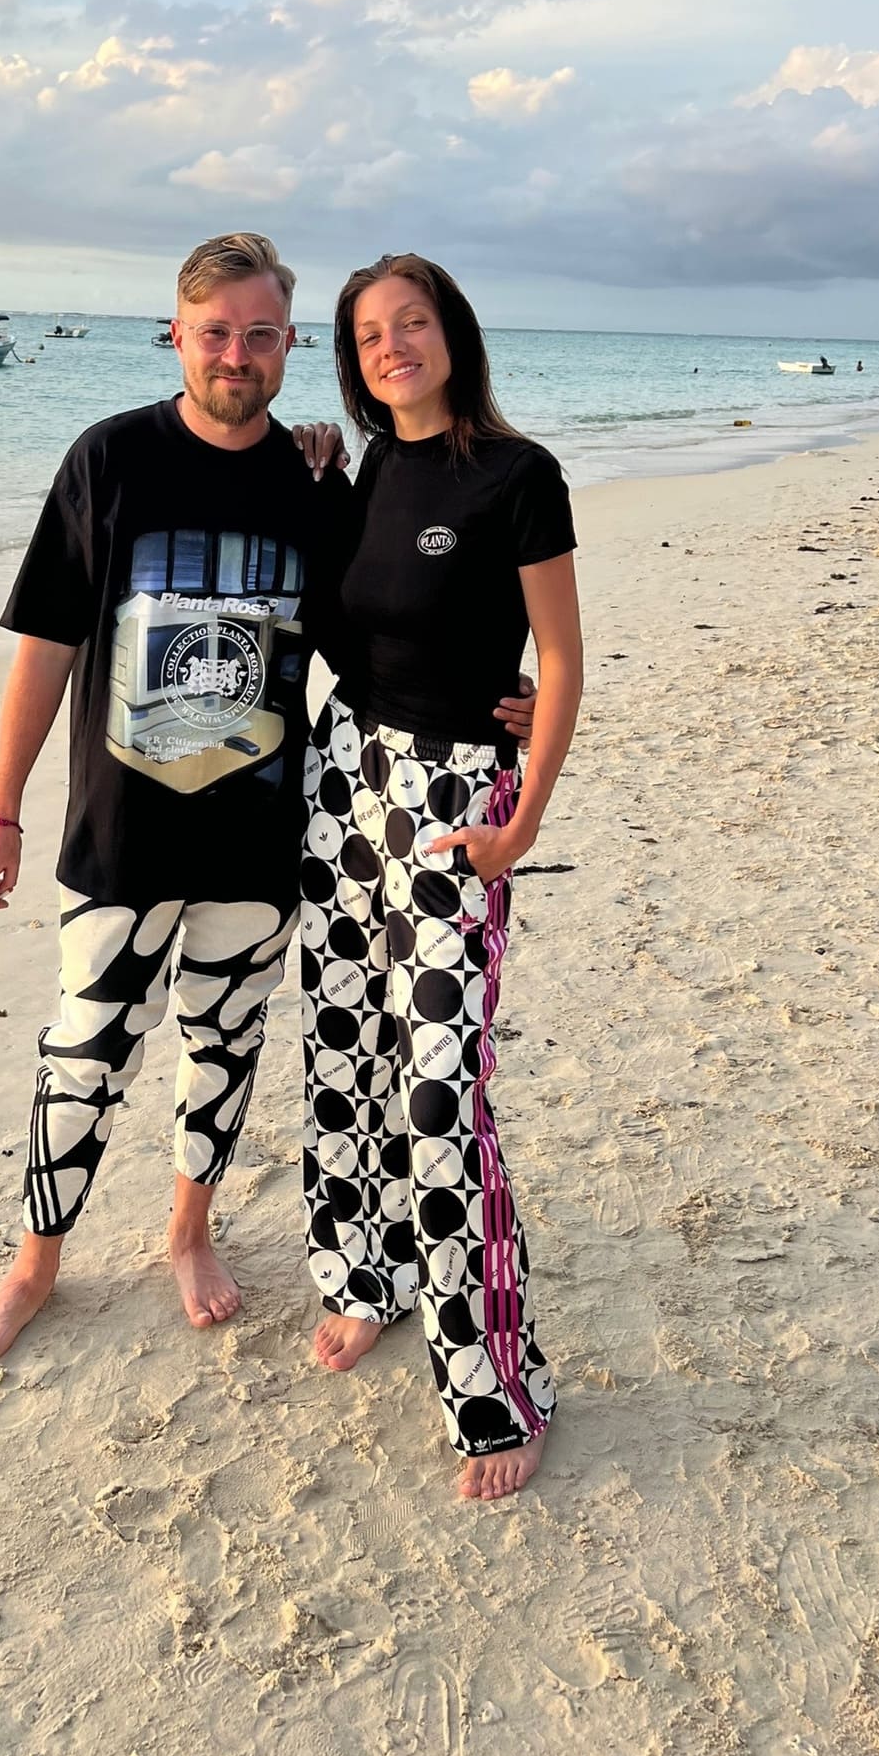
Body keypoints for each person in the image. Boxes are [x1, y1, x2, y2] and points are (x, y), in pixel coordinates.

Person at [0, 232, 535, 1373]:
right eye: (215, 333)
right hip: (121, 834)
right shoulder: (109, 458)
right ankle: (34, 1263)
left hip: (262, 836)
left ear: (287, 346)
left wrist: (495, 695)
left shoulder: (315, 482)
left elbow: (384, 622)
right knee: (85, 1052)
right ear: (177, 335)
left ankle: (189, 1232)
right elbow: (48, 644)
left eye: (259, 335)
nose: (236, 355)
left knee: (222, 1046)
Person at [299, 252, 583, 1503]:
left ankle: (498, 1387)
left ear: (453, 334)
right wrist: (313, 476)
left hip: (455, 801)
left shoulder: (519, 475)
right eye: (369, 335)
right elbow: (347, 629)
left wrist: (520, 825)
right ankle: (365, 1274)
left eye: (410, 323)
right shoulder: (368, 470)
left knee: (438, 1093)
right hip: (342, 780)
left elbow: (561, 661)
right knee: (343, 1050)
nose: (392, 347)